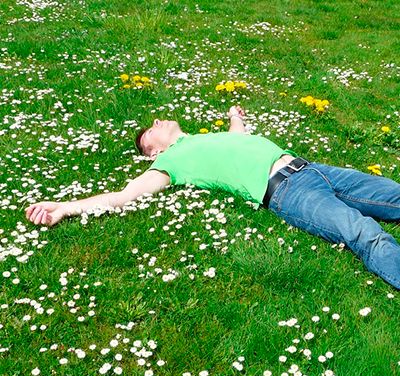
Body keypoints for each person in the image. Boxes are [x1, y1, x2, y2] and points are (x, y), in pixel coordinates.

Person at [25, 106, 400, 289]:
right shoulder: (170, 163)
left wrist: (234, 116)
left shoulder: (199, 140)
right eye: (148, 133)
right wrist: (66, 208)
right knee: (365, 233)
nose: (156, 124)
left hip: (314, 168)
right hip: (286, 190)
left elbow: (237, 138)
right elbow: (124, 196)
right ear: (153, 152)